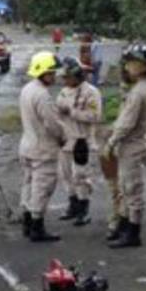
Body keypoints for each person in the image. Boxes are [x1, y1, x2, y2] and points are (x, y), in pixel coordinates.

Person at [103, 41, 146, 249]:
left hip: (132, 144)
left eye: (130, 63)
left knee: (132, 189)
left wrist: (111, 142)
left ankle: (133, 233)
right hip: (141, 142)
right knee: (127, 187)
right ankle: (125, 227)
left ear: (141, 65)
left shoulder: (139, 92)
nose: (127, 67)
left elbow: (126, 123)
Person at [19, 51, 66, 242]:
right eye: (51, 73)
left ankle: (27, 221)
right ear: (42, 72)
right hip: (43, 149)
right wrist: (63, 137)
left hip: (27, 145)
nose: (54, 77)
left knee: (29, 183)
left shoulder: (27, 89)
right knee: (42, 187)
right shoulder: (42, 96)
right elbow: (52, 124)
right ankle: (37, 227)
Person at [56, 56, 103, 227]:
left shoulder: (91, 92)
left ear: (77, 75)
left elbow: (94, 116)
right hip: (65, 140)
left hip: (82, 140)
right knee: (66, 175)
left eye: (67, 77)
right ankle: (73, 205)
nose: (64, 80)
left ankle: (84, 209)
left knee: (81, 176)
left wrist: (72, 112)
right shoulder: (63, 91)